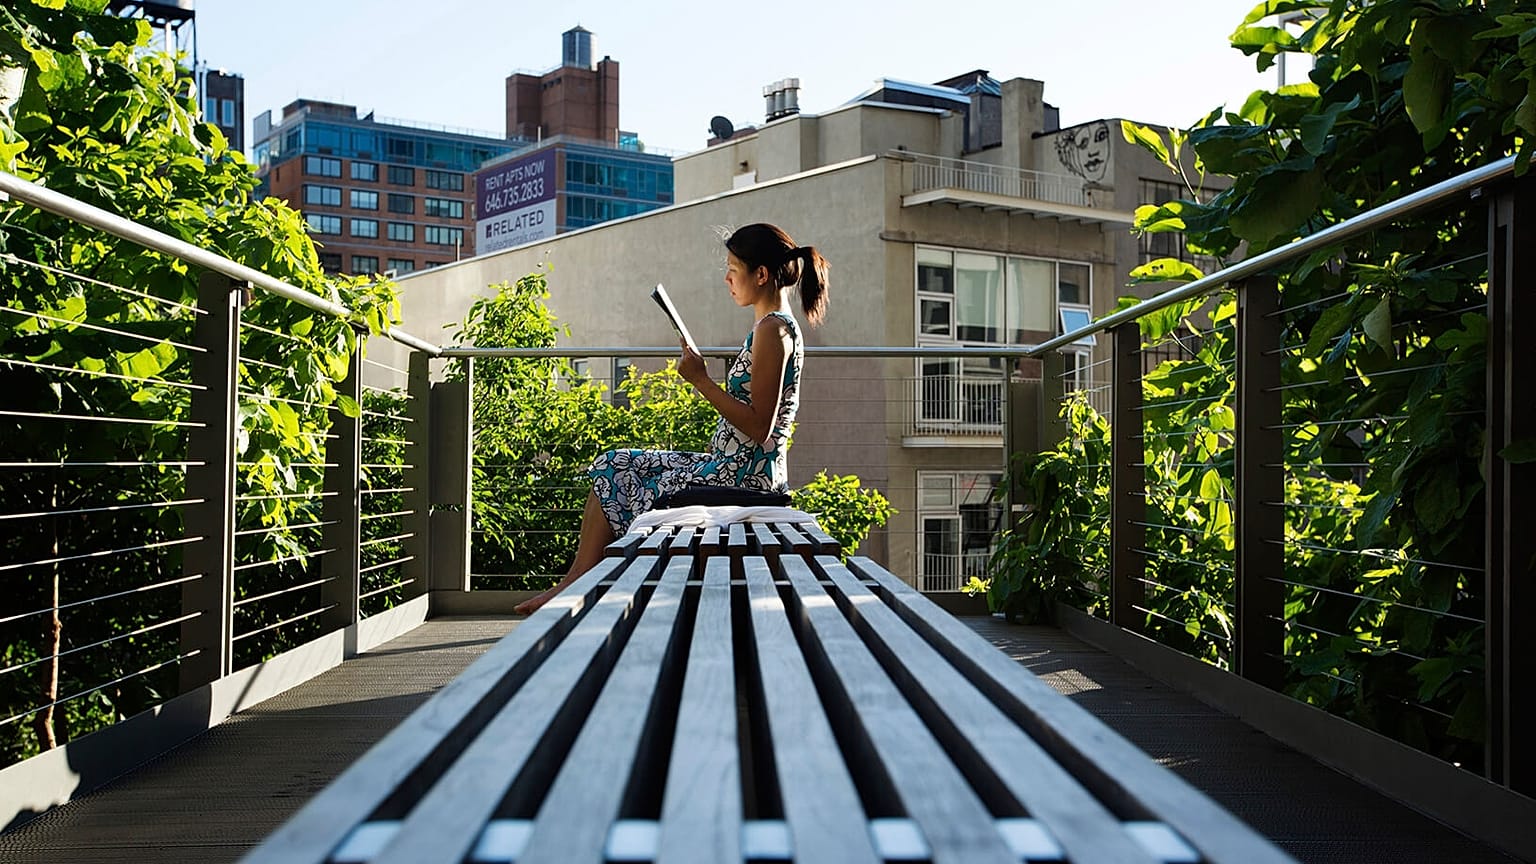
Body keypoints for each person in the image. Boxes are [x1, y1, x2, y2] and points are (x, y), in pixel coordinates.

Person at [514, 223, 830, 614]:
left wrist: (700, 380)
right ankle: (578, 582)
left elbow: (758, 426)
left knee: (616, 465)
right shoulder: (773, 327)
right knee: (615, 462)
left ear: (761, 274)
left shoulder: (773, 331)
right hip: (731, 466)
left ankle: (577, 584)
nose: (727, 278)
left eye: (734, 268)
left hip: (744, 477)